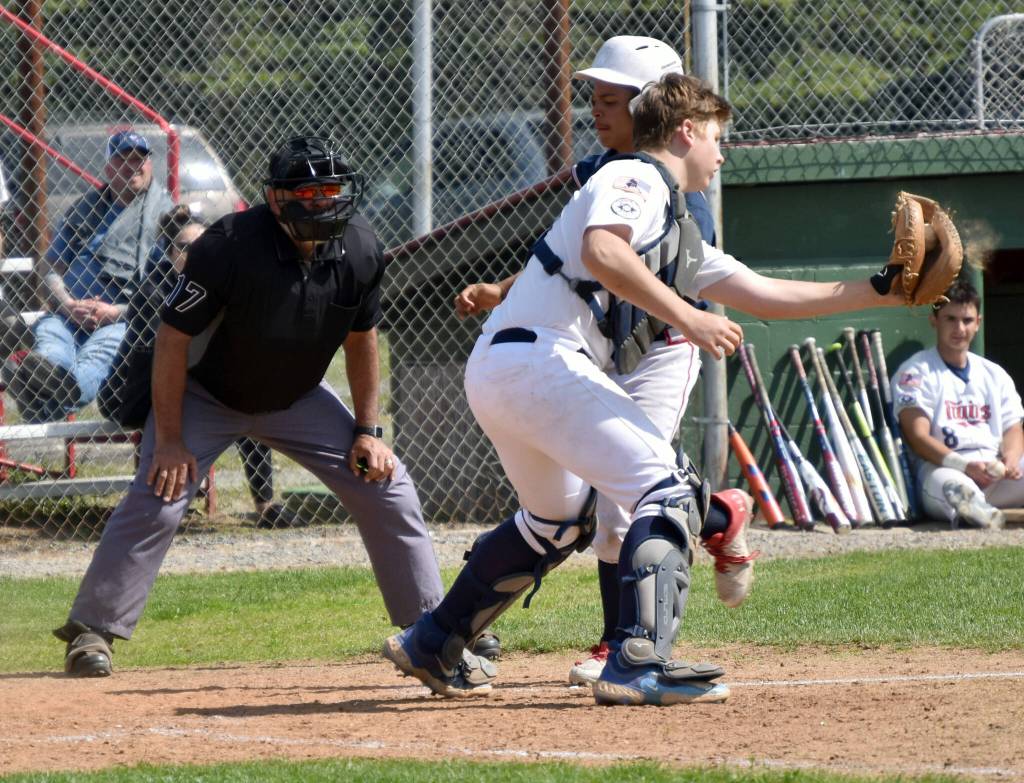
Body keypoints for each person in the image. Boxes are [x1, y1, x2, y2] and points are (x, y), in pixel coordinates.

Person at [388, 72, 907, 705]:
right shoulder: (634, 177)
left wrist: (881, 288)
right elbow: (605, 252)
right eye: (717, 138)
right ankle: (636, 663)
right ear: (686, 132)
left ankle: (433, 642)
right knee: (665, 487)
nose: (721, 155)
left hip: (508, 368)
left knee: (553, 523)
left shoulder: (675, 225)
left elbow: (767, 292)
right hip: (542, 361)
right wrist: (689, 318)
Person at [52, 136, 489, 684]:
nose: (322, 201)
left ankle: (432, 630)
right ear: (275, 198)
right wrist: (168, 439)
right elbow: (171, 341)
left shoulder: (359, 248)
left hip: (297, 399)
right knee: (160, 493)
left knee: (387, 485)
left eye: (331, 189)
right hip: (209, 395)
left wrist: (368, 431)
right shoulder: (228, 245)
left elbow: (362, 341)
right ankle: (93, 631)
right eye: (307, 190)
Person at [455, 36, 719, 683]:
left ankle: (622, 647)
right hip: (597, 354)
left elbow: (651, 278)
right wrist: (503, 292)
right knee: (572, 512)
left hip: (660, 349)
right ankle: (720, 515)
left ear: (656, 107)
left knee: (628, 500)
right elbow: (571, 258)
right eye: (594, 97)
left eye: (613, 99)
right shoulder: (603, 172)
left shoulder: (683, 195)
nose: (597, 109)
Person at [97, 205, 291, 527]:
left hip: (193, 384)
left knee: (243, 398)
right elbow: (158, 364)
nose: (194, 253)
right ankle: (153, 511)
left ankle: (265, 504)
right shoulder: (153, 290)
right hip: (136, 391)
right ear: (170, 253)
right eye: (184, 247)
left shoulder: (225, 283)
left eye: (203, 245)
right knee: (183, 411)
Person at [8, 130, 173, 423]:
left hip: (122, 320)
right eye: (123, 159)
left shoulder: (165, 216)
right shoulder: (85, 209)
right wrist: (67, 304)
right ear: (109, 168)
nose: (133, 166)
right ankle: (42, 384)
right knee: (51, 342)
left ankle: (36, 400)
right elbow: (51, 268)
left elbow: (166, 287)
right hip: (69, 315)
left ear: (150, 165)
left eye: (140, 159)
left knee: (97, 359)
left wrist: (115, 312)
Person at [893, 278, 1023, 529]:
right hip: (943, 469)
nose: (959, 329)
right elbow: (916, 436)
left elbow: (1013, 428)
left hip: (994, 471)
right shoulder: (915, 371)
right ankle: (976, 510)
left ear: (978, 324)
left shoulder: (993, 373)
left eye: (967, 320)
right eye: (950, 319)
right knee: (955, 488)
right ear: (934, 320)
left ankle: (983, 511)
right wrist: (965, 466)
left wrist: (1011, 460)